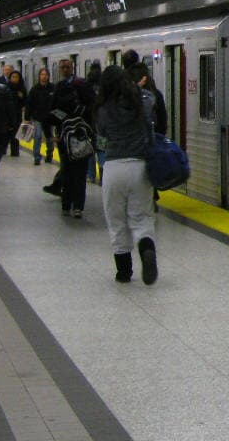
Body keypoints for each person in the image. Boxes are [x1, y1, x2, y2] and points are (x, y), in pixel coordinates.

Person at [94, 65, 157, 285]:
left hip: (114, 167)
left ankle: (124, 271)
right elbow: (152, 102)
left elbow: (101, 133)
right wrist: (137, 89)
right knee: (141, 217)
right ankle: (147, 247)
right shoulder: (143, 101)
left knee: (116, 220)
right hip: (140, 166)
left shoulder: (103, 108)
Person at [47, 59, 94, 218]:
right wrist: (65, 121)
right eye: (63, 67)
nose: (65, 70)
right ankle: (68, 204)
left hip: (78, 135)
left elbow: (91, 107)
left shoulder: (81, 85)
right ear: (60, 69)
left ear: (72, 68)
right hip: (65, 136)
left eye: (67, 67)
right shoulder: (59, 87)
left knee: (78, 172)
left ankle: (76, 206)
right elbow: (52, 111)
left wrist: (70, 119)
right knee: (68, 170)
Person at [25, 66, 57, 163]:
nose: (44, 77)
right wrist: (27, 117)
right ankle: (37, 157)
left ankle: (49, 154)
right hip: (37, 117)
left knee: (49, 138)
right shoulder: (34, 89)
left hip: (49, 118)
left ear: (48, 76)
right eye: (42, 75)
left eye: (46, 75)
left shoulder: (53, 88)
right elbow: (29, 104)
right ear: (39, 76)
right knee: (37, 136)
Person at [4, 68, 28, 158]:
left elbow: (25, 101)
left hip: (17, 114)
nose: (14, 79)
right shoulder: (6, 88)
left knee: (15, 133)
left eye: (16, 77)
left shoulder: (22, 89)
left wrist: (21, 98)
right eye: (13, 77)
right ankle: (3, 149)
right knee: (5, 133)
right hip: (6, 114)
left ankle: (15, 151)